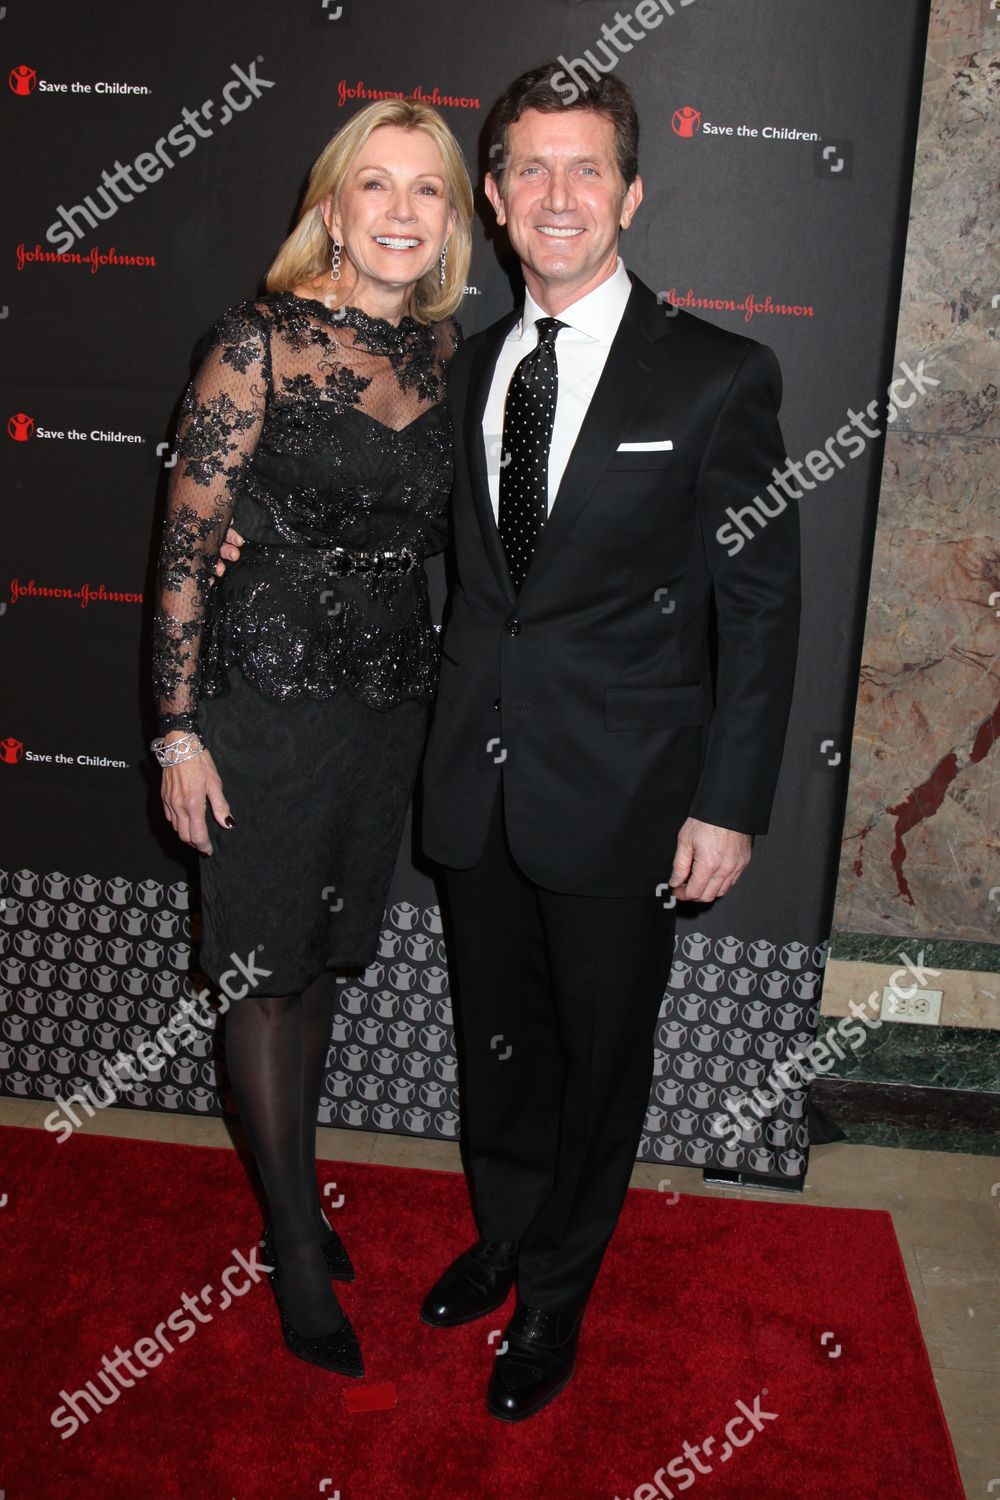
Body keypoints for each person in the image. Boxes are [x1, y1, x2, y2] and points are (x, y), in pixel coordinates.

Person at [416, 64, 801, 1421]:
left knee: (597, 1060)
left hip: (629, 795)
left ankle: (558, 1293)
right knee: (498, 1044)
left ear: (631, 195)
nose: (559, 194)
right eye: (531, 167)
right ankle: (507, 1233)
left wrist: (730, 803)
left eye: (588, 168)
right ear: (495, 197)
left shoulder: (716, 374)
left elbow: (759, 608)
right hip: (477, 786)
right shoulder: (473, 367)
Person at [150, 98, 472, 1379]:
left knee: (325, 962)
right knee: (264, 975)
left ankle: (297, 1189)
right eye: (374, 185)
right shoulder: (256, 345)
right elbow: (185, 550)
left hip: (388, 702)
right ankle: (290, 1238)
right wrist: (176, 731)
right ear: (331, 209)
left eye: (427, 189)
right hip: (263, 697)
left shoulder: (448, 357)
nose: (400, 211)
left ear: (452, 219)